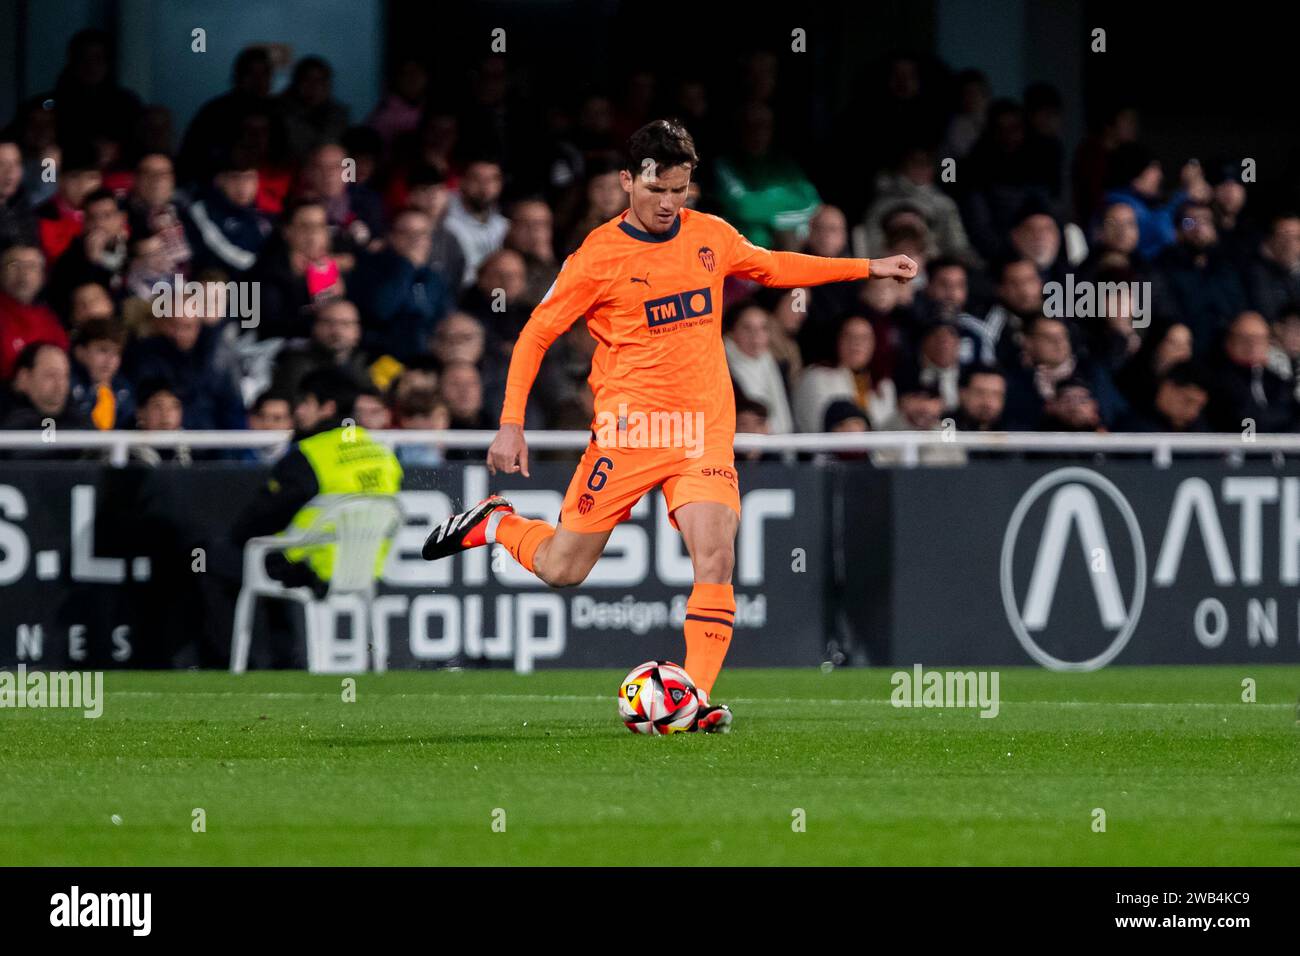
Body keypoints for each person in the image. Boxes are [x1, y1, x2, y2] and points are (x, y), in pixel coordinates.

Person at [419, 120, 917, 730]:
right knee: (562, 570)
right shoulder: (598, 256)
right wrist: (511, 423)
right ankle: (497, 523)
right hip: (629, 437)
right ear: (628, 181)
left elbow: (773, 267)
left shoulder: (708, 234)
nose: (668, 203)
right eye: (657, 190)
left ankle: (695, 700)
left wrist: (867, 267)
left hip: (702, 431)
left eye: (679, 190)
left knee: (716, 559)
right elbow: (536, 334)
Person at [231, 367, 403, 598]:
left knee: (216, 558)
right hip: (364, 570)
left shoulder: (308, 456)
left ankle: (241, 635)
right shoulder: (384, 455)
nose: (298, 411)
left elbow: (262, 518)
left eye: (305, 402)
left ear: (327, 407)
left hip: (306, 569)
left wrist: (237, 536)